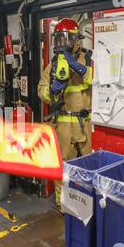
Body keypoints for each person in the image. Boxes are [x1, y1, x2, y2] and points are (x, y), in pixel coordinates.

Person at [37, 18, 93, 213]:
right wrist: (52, 90)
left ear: (78, 40)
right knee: (62, 166)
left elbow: (99, 81)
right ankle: (63, 204)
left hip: (84, 123)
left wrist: (80, 68)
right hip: (62, 123)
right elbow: (41, 92)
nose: (63, 44)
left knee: (87, 165)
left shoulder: (89, 59)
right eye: (60, 39)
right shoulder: (52, 65)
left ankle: (87, 201)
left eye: (67, 39)